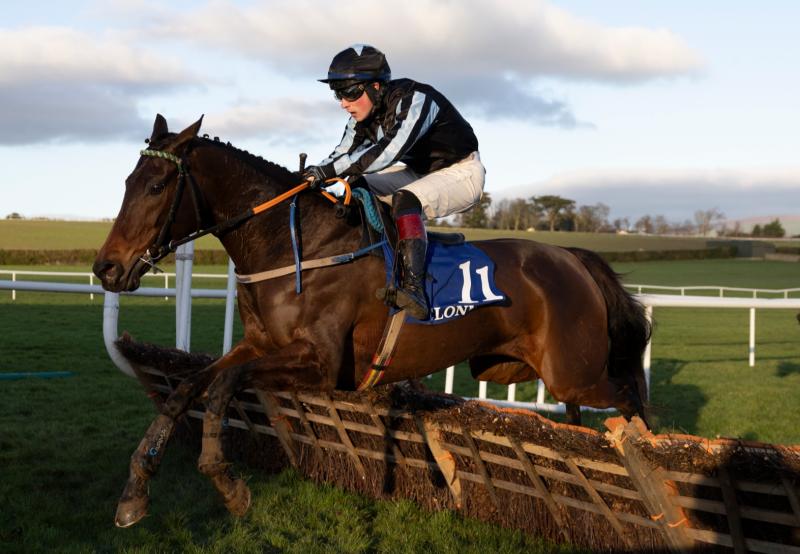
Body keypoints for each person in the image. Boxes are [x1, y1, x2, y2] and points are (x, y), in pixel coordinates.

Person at [303, 44, 485, 320]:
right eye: (338, 94)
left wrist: (326, 171)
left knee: (405, 199)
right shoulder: (360, 118)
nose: (343, 102)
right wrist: (313, 176)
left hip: (462, 172)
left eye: (349, 93)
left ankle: (414, 288)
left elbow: (388, 152)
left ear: (376, 87)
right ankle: (370, 263)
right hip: (420, 172)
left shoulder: (417, 99)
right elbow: (342, 155)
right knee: (357, 184)